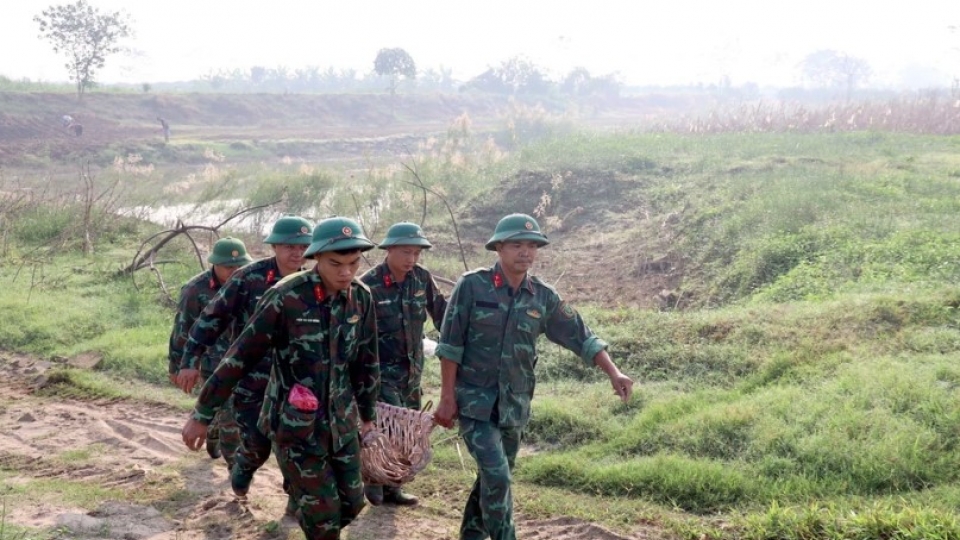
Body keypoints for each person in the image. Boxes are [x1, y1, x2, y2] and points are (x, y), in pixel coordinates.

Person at [433, 213, 634, 540]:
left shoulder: (543, 296)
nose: (525, 252)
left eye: (531, 246)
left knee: (493, 477)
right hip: (473, 402)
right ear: (499, 247)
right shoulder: (472, 286)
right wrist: (447, 396)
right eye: (516, 245)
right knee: (497, 477)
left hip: (514, 405)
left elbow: (581, 335)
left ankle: (471, 535)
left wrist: (614, 371)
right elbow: (450, 345)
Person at [181, 216, 380, 540]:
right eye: (336, 264)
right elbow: (238, 358)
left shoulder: (361, 297)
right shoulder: (285, 296)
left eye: (354, 263)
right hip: (296, 426)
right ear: (317, 259)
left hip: (341, 424)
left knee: (353, 504)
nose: (346, 272)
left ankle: (306, 504)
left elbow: (366, 362)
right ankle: (296, 499)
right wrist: (203, 414)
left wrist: (368, 416)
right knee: (325, 521)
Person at [176, 215, 312, 515]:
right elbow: (209, 320)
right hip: (251, 379)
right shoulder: (248, 278)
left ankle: (297, 501)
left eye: (303, 246)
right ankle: (242, 468)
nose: (297, 253)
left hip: (295, 384)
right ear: (274, 246)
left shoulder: (313, 283)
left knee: (296, 444)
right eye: (289, 246)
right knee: (255, 440)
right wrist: (189, 361)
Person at [359, 221, 447, 507]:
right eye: (406, 252)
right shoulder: (368, 285)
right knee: (386, 427)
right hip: (380, 373)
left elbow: (442, 314)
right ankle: (372, 479)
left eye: (417, 254)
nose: (412, 259)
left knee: (408, 431)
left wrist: (459, 344)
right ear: (390, 250)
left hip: (412, 373)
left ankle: (393, 487)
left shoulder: (421, 279)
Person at [168, 237, 253, 464]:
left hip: (245, 361)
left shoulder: (251, 283)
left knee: (238, 411)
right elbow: (182, 329)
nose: (235, 271)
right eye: (229, 267)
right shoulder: (195, 290)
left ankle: (214, 428)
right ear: (214, 264)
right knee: (229, 414)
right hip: (212, 362)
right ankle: (235, 467)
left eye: (239, 266)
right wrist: (179, 365)